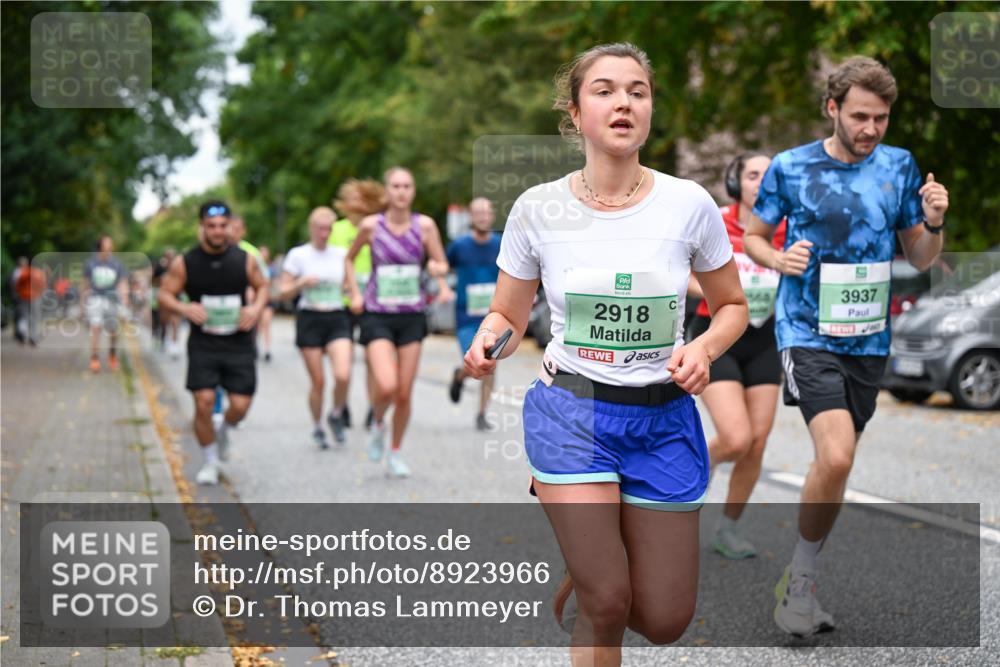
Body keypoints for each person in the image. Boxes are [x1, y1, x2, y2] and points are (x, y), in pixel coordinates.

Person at [463, 43, 747, 665]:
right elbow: (507, 315)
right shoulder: (538, 208)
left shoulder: (688, 204)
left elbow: (732, 307)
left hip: (663, 419)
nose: (624, 101)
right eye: (606, 90)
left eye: (638, 91)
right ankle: (598, 583)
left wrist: (702, 348)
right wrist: (489, 346)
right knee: (609, 604)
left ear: (649, 109)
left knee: (665, 619)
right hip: (573, 412)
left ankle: (593, 572)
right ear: (575, 112)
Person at [743, 56, 949, 637]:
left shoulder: (900, 167)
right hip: (805, 330)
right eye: (860, 116)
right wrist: (779, 258)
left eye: (881, 118)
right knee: (835, 456)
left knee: (837, 463)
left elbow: (921, 257)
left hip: (868, 340)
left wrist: (932, 223)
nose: (871, 129)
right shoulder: (791, 167)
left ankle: (799, 579)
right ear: (832, 108)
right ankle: (803, 585)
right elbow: (757, 238)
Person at [687, 152, 787, 559]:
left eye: (768, 175)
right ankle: (678, 486)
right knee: (735, 437)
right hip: (716, 334)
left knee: (756, 443)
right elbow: (682, 272)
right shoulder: (716, 222)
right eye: (752, 175)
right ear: (737, 183)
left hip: (764, 339)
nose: (760, 182)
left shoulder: (785, 229)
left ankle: (728, 529)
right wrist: (727, 293)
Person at [345, 167, 453, 478]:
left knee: (404, 392)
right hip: (378, 314)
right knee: (388, 385)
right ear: (386, 191)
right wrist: (353, 292)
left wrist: (436, 267)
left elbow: (442, 261)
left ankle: (394, 452)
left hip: (411, 316)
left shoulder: (425, 226)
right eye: (395, 186)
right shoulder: (371, 226)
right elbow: (348, 260)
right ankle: (378, 423)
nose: (401, 191)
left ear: (413, 191)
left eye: (407, 186)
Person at [157, 201, 269, 486]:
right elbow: (165, 295)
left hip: (239, 341)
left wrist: (255, 309)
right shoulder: (186, 262)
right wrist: (184, 309)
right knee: (204, 402)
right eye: (211, 226)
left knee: (241, 406)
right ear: (202, 228)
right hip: (204, 343)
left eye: (223, 226)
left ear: (230, 227)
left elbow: (263, 287)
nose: (218, 232)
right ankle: (209, 461)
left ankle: (223, 430)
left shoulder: (245, 259)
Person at [278, 207, 353, 449]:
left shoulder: (341, 254)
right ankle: (317, 426)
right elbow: (281, 291)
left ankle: (336, 413)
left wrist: (354, 295)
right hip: (310, 318)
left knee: (343, 375)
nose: (324, 233)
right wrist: (301, 282)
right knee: (318, 382)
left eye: (328, 229)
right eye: (320, 228)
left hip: (337, 317)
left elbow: (351, 287)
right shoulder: (298, 255)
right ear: (312, 228)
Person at [331, 178, 387, 430]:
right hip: (342, 301)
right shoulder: (336, 229)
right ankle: (342, 405)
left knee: (373, 358)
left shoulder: (376, 227)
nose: (357, 201)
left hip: (372, 300)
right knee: (344, 358)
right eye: (351, 196)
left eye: (361, 197)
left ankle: (372, 406)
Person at [446, 197, 502, 430]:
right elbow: (442, 266)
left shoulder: (501, 244)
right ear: (471, 217)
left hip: (494, 315)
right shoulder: (459, 246)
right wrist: (441, 285)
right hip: (466, 317)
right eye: (477, 213)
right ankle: (460, 376)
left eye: (486, 213)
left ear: (492, 216)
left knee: (489, 363)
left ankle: (481, 413)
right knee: (473, 362)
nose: (482, 217)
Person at [81, 235, 129, 372]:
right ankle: (94, 358)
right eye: (108, 244)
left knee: (113, 331)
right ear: (100, 247)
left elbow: (122, 282)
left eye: (111, 244)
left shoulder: (117, 264)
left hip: (112, 300)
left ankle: (112, 355)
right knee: (95, 328)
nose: (111, 247)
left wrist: (124, 299)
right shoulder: (91, 263)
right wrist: (82, 304)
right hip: (95, 299)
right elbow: (85, 283)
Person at [13, 256, 46, 346]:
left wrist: (18, 293)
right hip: (35, 297)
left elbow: (17, 284)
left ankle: (24, 334)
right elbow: (42, 285)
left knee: (24, 316)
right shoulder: (39, 273)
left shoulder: (23, 272)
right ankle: (33, 337)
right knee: (35, 317)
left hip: (23, 297)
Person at [257, 245, 276, 362]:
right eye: (261, 253)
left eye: (265, 253)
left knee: (266, 325)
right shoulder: (254, 267)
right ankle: (256, 347)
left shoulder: (271, 268)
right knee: (257, 327)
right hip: (257, 301)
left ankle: (267, 350)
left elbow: (274, 284)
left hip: (267, 301)